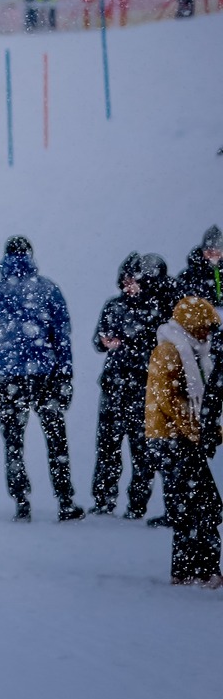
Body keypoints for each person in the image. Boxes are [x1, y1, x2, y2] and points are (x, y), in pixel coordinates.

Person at [0, 236, 83, 521]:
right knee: (56, 438)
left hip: (7, 378)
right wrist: (64, 375)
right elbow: (61, 337)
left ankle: (21, 500)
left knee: (13, 442)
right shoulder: (47, 289)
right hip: (43, 374)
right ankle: (65, 500)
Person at [145, 296, 220, 585]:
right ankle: (200, 570)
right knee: (199, 505)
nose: (208, 333)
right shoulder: (169, 351)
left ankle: (190, 569)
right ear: (192, 324)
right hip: (170, 440)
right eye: (205, 326)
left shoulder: (191, 351)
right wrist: (196, 431)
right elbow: (168, 400)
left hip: (176, 438)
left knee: (192, 505)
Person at [90, 253, 169, 518]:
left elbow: (157, 346)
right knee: (108, 448)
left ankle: (137, 505)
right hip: (114, 387)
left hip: (143, 390)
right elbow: (97, 340)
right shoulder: (113, 306)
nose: (128, 286)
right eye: (125, 280)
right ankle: (104, 500)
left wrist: (131, 342)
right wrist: (104, 342)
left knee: (142, 452)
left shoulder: (156, 309)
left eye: (133, 280)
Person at [174, 225, 222, 309]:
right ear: (203, 251)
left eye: (218, 251)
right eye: (210, 251)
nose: (214, 255)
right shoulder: (188, 277)